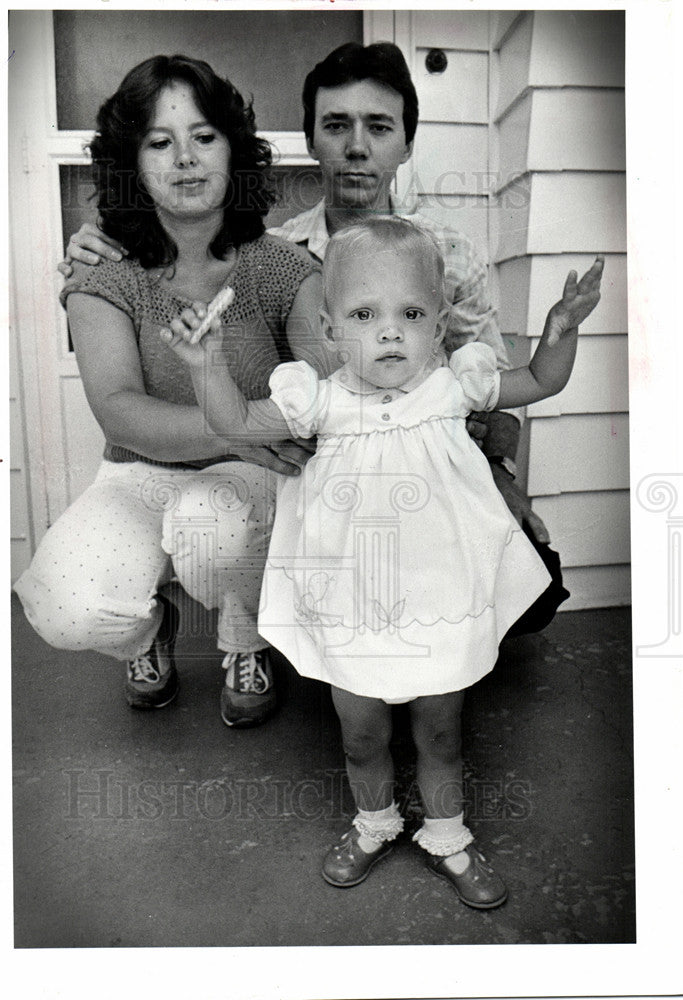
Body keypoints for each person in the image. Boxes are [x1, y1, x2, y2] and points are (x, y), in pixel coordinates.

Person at [162, 217, 604, 907]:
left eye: (410, 314)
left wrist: (561, 329)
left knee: (440, 729)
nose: (389, 332)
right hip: (352, 604)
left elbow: (542, 382)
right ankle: (373, 822)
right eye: (365, 315)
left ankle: (447, 835)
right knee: (361, 731)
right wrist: (204, 366)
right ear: (331, 329)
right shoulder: (320, 401)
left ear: (437, 325)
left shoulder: (453, 388)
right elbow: (234, 424)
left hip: (437, 600)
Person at [60, 41, 550, 551]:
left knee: (520, 589)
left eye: (379, 127)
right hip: (335, 471)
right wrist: (108, 234)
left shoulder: (451, 254)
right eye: (336, 125)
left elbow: (496, 382)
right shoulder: (283, 250)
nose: (357, 147)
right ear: (312, 140)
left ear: (407, 143)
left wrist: (498, 475)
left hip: (443, 461)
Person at [13, 54, 330, 728]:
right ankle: (143, 634)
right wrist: (244, 421)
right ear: (132, 164)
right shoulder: (104, 273)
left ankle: (245, 641)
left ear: (233, 150)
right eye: (159, 141)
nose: (184, 158)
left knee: (208, 526)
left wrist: (252, 435)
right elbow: (121, 414)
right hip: (140, 476)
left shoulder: (282, 266)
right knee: (65, 603)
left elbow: (323, 391)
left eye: (204, 136)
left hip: (249, 478)